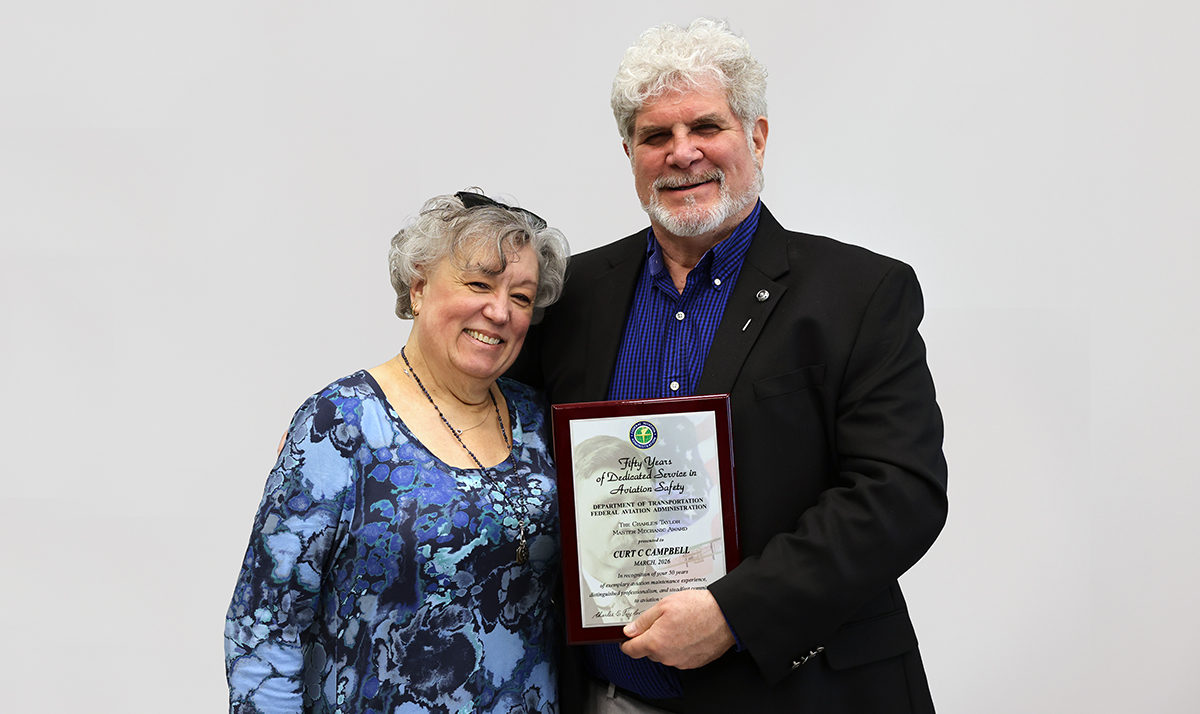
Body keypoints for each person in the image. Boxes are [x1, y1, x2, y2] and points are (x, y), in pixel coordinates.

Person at [509, 19, 948, 713]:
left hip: (804, 694)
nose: (682, 153)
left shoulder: (860, 293)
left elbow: (899, 494)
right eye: (656, 135)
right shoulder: (572, 296)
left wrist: (733, 613)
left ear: (756, 137)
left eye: (706, 127)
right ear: (630, 154)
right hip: (610, 696)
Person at [225, 190, 570, 713]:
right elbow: (264, 628)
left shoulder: (539, 420)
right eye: (479, 284)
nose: (500, 311)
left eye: (520, 297)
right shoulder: (339, 423)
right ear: (419, 286)